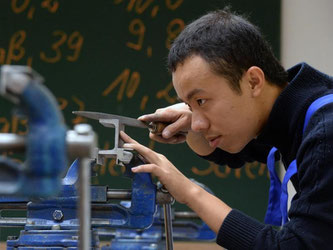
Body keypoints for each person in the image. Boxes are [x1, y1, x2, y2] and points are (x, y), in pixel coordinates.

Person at [120, 8, 333, 249]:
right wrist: (192, 120)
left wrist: (189, 192)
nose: (197, 122)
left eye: (201, 100)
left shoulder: (326, 135)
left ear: (253, 81)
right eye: (189, 105)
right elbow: (235, 151)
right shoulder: (293, 113)